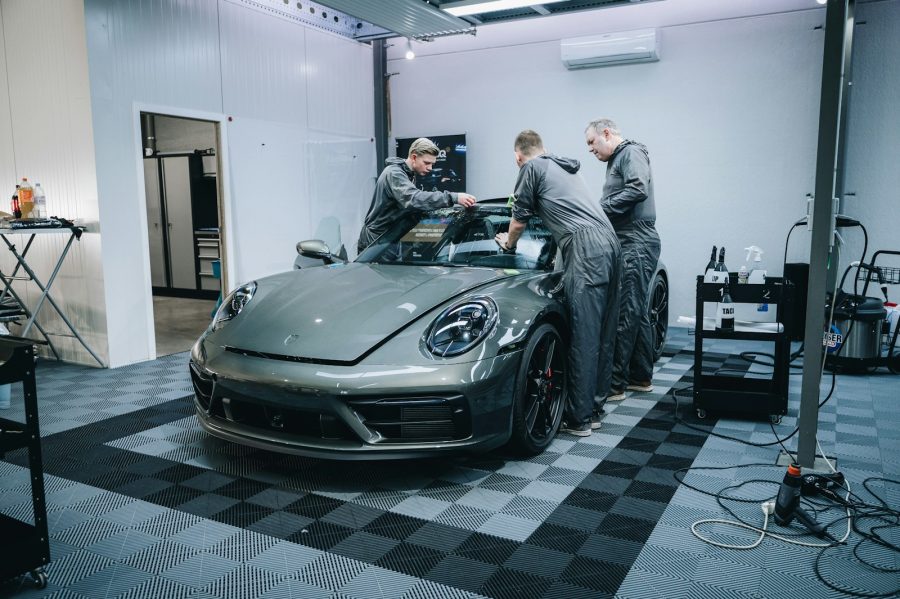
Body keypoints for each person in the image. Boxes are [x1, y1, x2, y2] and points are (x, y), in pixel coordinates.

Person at [496, 130, 621, 437]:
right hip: (611, 244)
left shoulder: (531, 168)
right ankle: (592, 411)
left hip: (585, 247)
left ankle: (577, 419)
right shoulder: (562, 168)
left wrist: (508, 243)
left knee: (584, 332)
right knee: (604, 332)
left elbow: (519, 218)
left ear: (518, 156)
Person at [585, 118, 662, 401]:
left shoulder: (630, 152)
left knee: (625, 313)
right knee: (637, 311)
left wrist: (597, 210)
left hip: (636, 241)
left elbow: (637, 188)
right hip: (630, 240)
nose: (590, 150)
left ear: (606, 133)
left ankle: (614, 384)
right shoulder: (617, 159)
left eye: (592, 142)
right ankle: (640, 377)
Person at [357, 138, 476, 254]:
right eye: (427, 163)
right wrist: (453, 197)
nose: (430, 168)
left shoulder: (408, 174)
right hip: (375, 241)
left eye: (432, 164)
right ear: (414, 157)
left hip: (389, 238)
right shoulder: (394, 173)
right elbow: (414, 199)